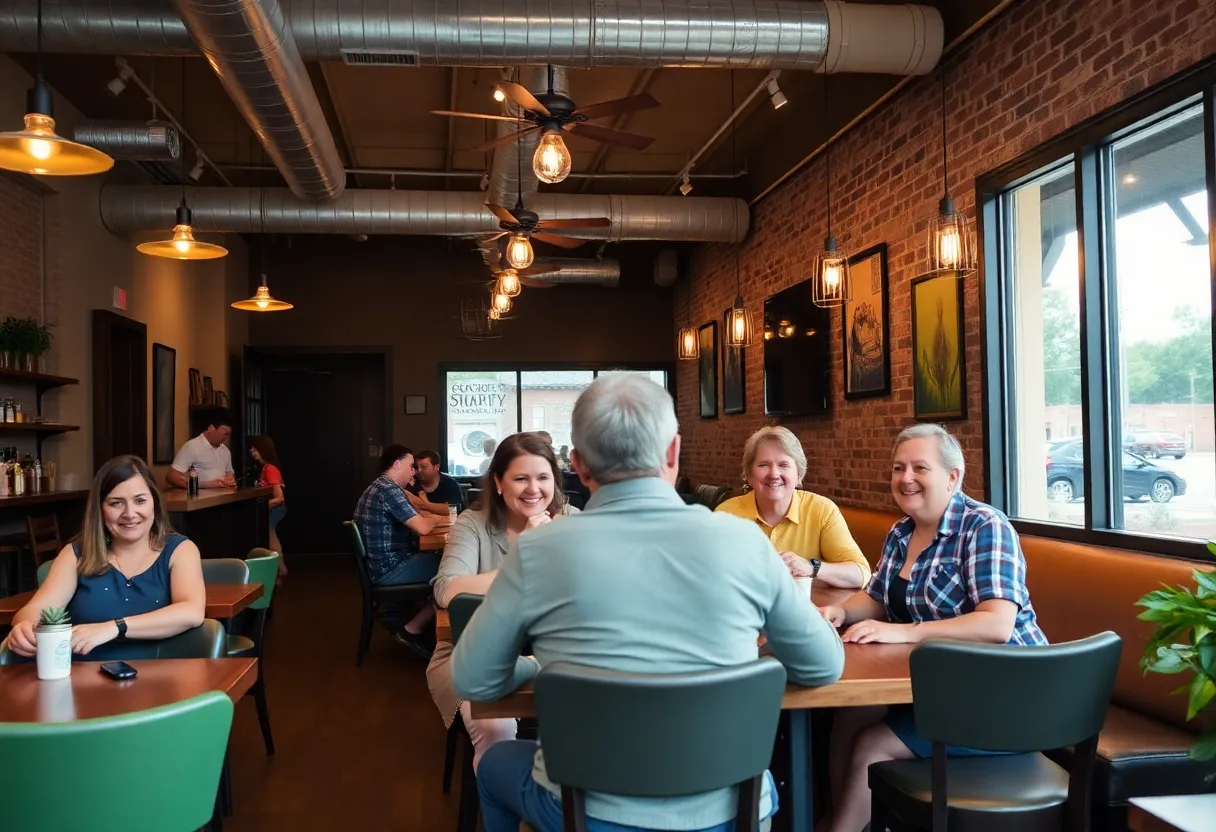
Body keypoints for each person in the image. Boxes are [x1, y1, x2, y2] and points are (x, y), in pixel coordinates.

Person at [451, 375, 844, 832]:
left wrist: (542, 669)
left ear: (577, 465)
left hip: (588, 813)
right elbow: (822, 666)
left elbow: (474, 678)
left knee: (497, 759)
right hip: (729, 811)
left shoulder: (539, 550)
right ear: (673, 452)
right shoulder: (744, 541)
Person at [819, 424, 1048, 832]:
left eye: (919, 468)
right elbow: (876, 597)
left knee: (872, 744)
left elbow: (996, 624)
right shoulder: (901, 531)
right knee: (852, 713)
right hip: (949, 686)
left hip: (1009, 698)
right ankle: (845, 820)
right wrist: (841, 613)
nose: (905, 478)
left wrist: (906, 632)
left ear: (952, 476)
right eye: (898, 468)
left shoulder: (984, 527)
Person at [428, 433, 579, 771]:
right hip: (472, 651)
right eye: (520, 478)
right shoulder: (473, 524)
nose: (533, 489)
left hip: (561, 653)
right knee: (492, 725)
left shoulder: (570, 519)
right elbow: (447, 589)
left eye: (543, 478)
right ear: (498, 482)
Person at [2, 455, 205, 661]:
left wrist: (115, 627)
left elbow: (192, 612)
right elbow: (36, 609)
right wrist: (24, 626)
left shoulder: (180, 550)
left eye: (140, 500)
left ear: (155, 503)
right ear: (100, 509)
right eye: (116, 503)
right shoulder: (76, 553)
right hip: (80, 681)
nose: (130, 513)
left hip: (159, 680)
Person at [716, 426, 871, 591]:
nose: (774, 474)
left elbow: (861, 573)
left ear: (799, 475)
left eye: (783, 465)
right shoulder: (726, 515)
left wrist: (812, 568)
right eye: (763, 465)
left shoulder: (821, 510)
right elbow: (707, 575)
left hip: (808, 611)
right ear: (749, 476)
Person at [354, 445, 447, 656]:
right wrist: (431, 520)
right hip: (389, 569)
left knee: (445, 560)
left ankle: (427, 623)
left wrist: (428, 519)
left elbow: (417, 517)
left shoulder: (378, 487)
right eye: (411, 466)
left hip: (380, 566)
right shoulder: (389, 489)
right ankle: (413, 629)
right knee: (453, 569)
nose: (414, 471)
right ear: (397, 465)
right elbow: (422, 526)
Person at [167, 409, 236, 490]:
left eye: (228, 435)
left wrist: (230, 479)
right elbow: (171, 476)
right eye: (224, 434)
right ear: (211, 429)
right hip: (200, 500)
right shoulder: (192, 447)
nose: (226, 438)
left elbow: (230, 474)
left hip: (223, 499)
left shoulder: (226, 451)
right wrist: (205, 484)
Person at [251, 435, 288, 583]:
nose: (251, 451)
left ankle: (281, 570)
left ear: (262, 450)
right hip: (273, 509)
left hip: (275, 509)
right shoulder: (265, 468)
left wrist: (261, 507)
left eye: (254, 449)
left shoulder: (270, 469)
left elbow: (279, 498)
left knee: (271, 539)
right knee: (271, 538)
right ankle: (280, 570)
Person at [406, 449, 464, 514]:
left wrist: (427, 505)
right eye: (416, 467)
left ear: (437, 467)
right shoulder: (411, 483)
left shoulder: (450, 484)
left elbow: (453, 509)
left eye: (424, 467)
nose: (419, 470)